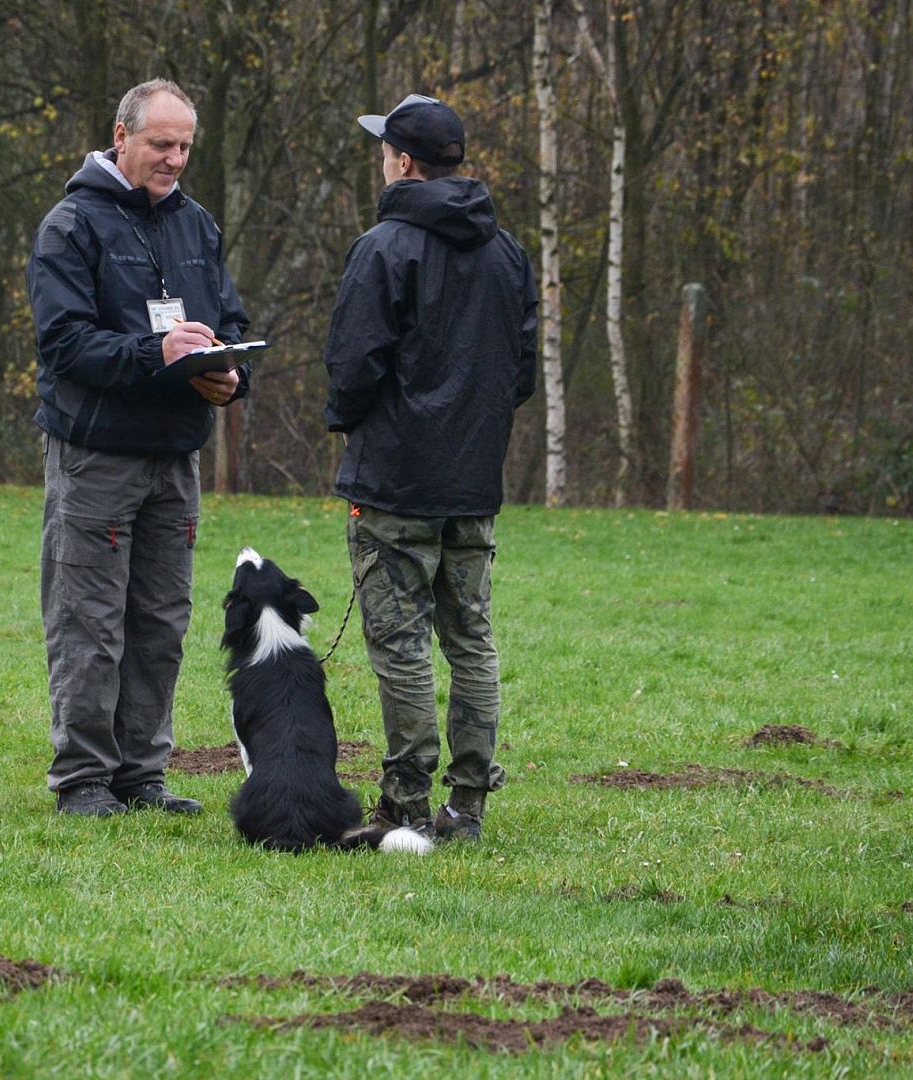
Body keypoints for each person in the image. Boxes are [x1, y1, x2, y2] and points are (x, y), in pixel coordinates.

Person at [26, 79, 251, 817]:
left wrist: (227, 374)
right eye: (161, 144)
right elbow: (64, 344)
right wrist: (157, 353)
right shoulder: (70, 226)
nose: (174, 159)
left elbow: (228, 318)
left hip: (174, 455)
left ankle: (141, 775)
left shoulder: (198, 227)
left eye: (184, 146)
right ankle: (84, 780)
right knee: (89, 622)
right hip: (97, 455)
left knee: (160, 623)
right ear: (119, 137)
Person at [322, 94, 538, 843]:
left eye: (386, 149)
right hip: (472, 484)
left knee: (401, 645)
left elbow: (352, 366)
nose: (383, 158)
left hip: (393, 480)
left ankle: (407, 803)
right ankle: (468, 804)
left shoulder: (382, 247)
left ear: (404, 162)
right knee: (470, 639)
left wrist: (353, 422)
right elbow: (521, 372)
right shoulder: (507, 252)